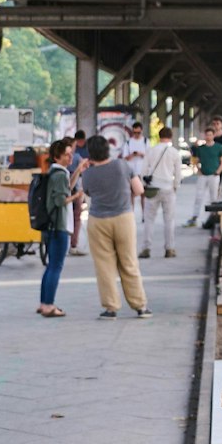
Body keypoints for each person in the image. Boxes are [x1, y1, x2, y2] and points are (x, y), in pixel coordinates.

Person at [78, 135, 150, 318]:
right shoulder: (121, 165)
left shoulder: (87, 174)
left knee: (104, 266)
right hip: (123, 218)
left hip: (98, 221)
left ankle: (111, 307)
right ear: (108, 149)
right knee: (129, 262)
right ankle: (140, 306)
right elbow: (139, 190)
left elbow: (87, 192)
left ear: (90, 153)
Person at [36, 139, 80, 318]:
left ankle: (43, 303)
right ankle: (49, 305)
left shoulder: (55, 172)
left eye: (71, 154)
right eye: (67, 155)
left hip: (50, 225)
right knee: (56, 266)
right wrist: (77, 196)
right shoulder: (60, 175)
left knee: (50, 266)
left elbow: (65, 189)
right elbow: (61, 200)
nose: (70, 158)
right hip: (59, 225)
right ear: (57, 156)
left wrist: (78, 171)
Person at [139, 125, 181, 259]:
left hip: (152, 189)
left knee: (149, 220)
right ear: (171, 137)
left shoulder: (151, 151)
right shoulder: (174, 152)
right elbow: (178, 174)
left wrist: (145, 185)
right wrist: (175, 187)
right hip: (168, 189)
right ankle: (169, 249)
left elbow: (143, 171)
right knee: (169, 220)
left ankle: (146, 248)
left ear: (159, 136)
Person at [185, 124, 222, 227]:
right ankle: (195, 216)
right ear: (205, 136)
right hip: (203, 175)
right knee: (199, 196)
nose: (208, 137)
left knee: (213, 197)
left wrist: (218, 171)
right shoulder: (201, 148)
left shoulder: (218, 147)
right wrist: (198, 169)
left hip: (214, 175)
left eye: (210, 135)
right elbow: (195, 160)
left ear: (213, 135)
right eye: (207, 135)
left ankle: (213, 216)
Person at [68, 130, 89, 256]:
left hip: (72, 188)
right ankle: (73, 244)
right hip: (74, 188)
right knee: (76, 217)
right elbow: (85, 167)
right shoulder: (75, 157)